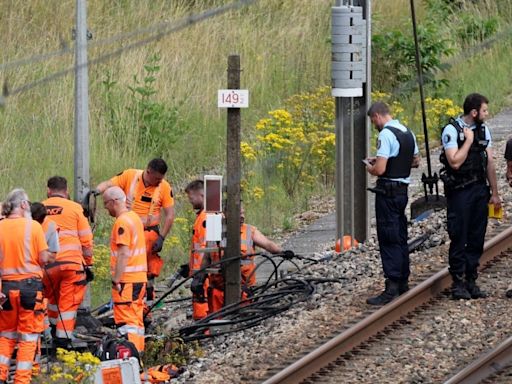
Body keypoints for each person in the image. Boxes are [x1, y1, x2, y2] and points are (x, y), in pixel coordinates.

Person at [440, 93, 501, 300]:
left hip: (479, 189)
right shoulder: (452, 131)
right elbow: (454, 162)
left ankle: (471, 279)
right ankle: (458, 283)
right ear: (474, 112)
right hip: (460, 191)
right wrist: (468, 142)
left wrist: (494, 193)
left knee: (476, 236)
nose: (487, 114)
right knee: (459, 235)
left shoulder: (484, 130)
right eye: (484, 110)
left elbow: (490, 162)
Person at [95, 158, 175, 312]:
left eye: (161, 179)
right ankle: (124, 300)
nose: (159, 182)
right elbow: (109, 185)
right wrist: (95, 192)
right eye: (157, 178)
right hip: (130, 231)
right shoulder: (130, 176)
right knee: (125, 268)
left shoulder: (164, 187)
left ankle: (147, 306)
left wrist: (162, 237)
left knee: (149, 272)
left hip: (150, 233)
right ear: (149, 171)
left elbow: (170, 215)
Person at [365, 101, 420, 306]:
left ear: (378, 116)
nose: (374, 125)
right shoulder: (407, 132)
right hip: (402, 191)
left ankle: (392, 284)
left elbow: (380, 170)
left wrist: (369, 167)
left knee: (388, 236)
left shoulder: (386, 134)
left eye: (373, 121)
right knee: (400, 234)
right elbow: (415, 161)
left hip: (387, 192)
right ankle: (403, 279)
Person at [194, 203, 289, 314]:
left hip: (243, 289)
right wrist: (199, 278)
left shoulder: (249, 230)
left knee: (241, 319)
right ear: (225, 214)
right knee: (217, 323)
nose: (242, 216)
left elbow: (268, 244)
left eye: (243, 213)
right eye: (238, 213)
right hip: (217, 291)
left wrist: (281, 252)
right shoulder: (215, 229)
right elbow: (207, 257)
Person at [0, 189, 49, 384]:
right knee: (28, 338)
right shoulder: (34, 227)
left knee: (6, 335)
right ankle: (22, 380)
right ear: (22, 205)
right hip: (30, 289)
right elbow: (44, 258)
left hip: (6, 289)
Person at [42, 176, 94, 348]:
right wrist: (88, 263)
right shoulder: (75, 208)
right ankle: (63, 339)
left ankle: (51, 330)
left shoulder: (40, 208)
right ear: (67, 191)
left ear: (49, 190)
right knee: (68, 302)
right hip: (71, 265)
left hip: (47, 265)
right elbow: (86, 241)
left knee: (51, 299)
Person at [103, 187, 147, 352]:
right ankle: (138, 355)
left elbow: (123, 253)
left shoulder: (122, 222)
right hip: (139, 278)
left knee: (127, 323)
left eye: (106, 204)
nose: (105, 208)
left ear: (114, 202)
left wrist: (116, 278)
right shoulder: (134, 218)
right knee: (136, 321)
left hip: (127, 281)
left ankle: (129, 359)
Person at [184, 180, 209, 320]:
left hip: (204, 274)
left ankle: (204, 332)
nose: (190, 202)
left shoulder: (206, 217)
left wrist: (200, 272)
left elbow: (208, 247)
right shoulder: (201, 217)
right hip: (201, 272)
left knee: (203, 309)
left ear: (201, 195)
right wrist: (190, 267)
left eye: (191, 198)